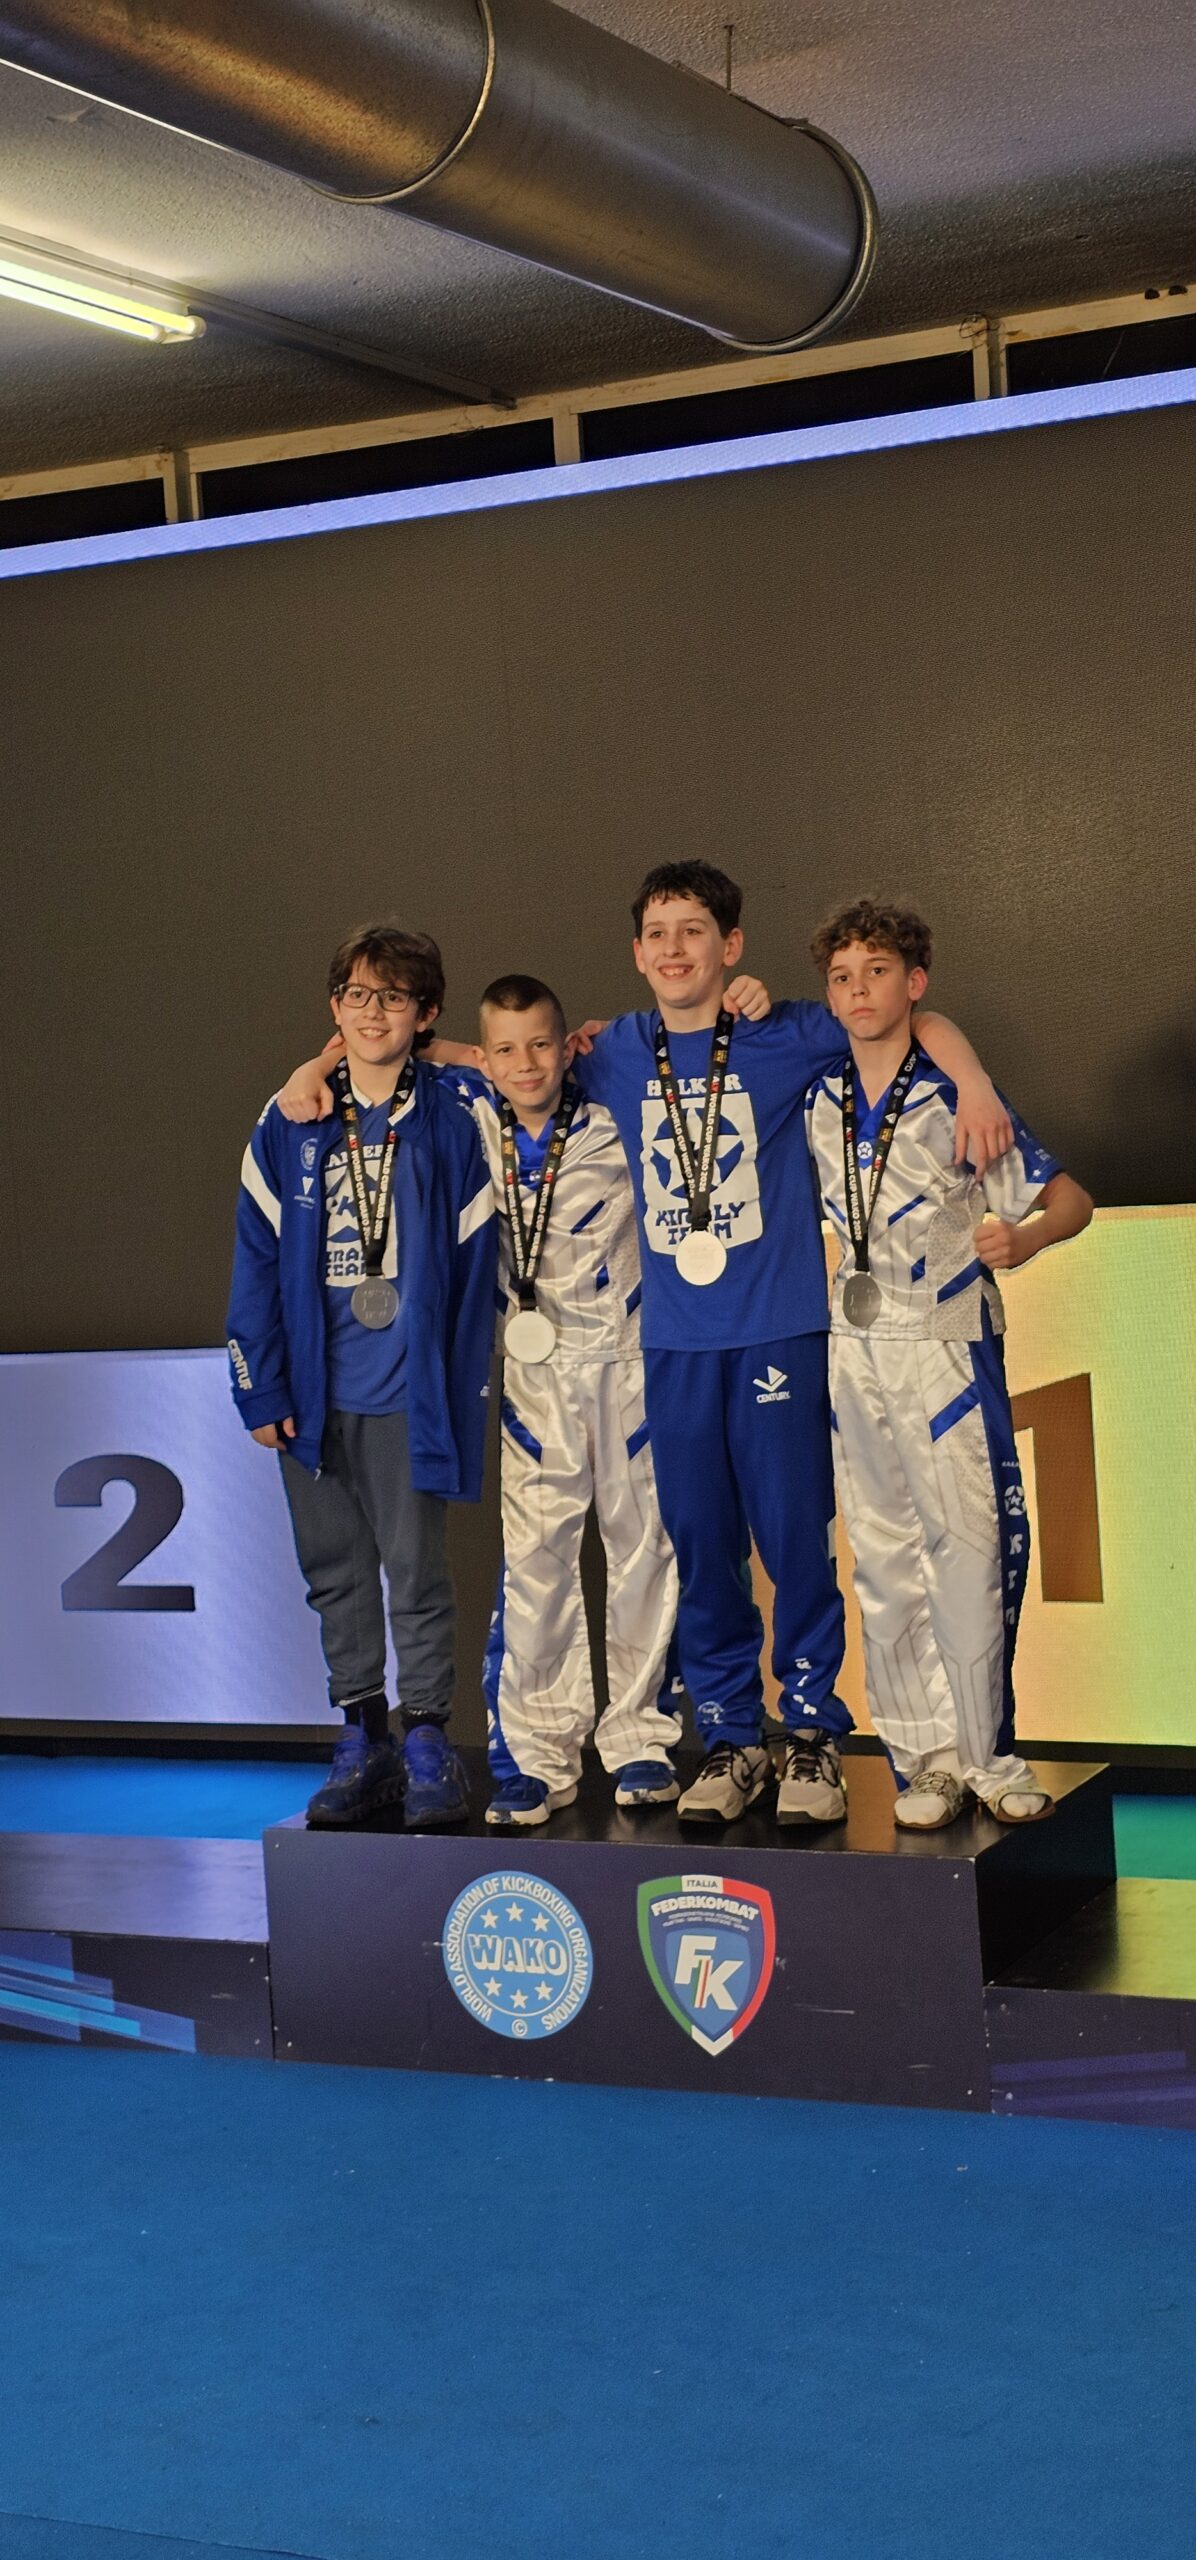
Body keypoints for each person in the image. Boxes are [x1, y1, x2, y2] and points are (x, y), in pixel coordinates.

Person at [567, 860, 1015, 1827]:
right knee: (701, 1547)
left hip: (780, 1332)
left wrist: (973, 1079)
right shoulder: (615, 1051)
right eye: (657, 934)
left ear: (730, 946)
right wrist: (322, 1066)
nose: (675, 949)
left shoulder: (785, 1031)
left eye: (695, 931)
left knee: (795, 1543)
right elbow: (494, 1056)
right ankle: (732, 1738)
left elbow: (903, 1017)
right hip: (674, 1345)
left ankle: (811, 1731)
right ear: (637, 953)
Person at [277, 968, 766, 1826]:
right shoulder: (463, 1111)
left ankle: (640, 1742)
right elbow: (382, 1049)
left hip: (628, 1364)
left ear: (568, 1044)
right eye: (505, 1049)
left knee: (644, 1552)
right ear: (485, 1055)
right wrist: (311, 1071)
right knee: (536, 1565)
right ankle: (539, 1757)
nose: (526, 1063)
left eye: (542, 1043)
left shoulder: (616, 1104)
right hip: (531, 1375)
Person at [804, 895, 1093, 1826]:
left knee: (968, 1549)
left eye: (877, 973)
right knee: (882, 1561)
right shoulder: (814, 1095)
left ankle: (989, 1756)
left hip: (947, 1345)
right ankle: (923, 1761)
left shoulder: (956, 1097)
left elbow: (1072, 1200)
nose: (858, 991)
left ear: (915, 983)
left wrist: (1029, 1237)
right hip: (854, 1352)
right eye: (842, 977)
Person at [226, 923, 496, 1830]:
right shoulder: (289, 1119)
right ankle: (362, 1735)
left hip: (408, 1387)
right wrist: (260, 1386)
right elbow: (255, 1260)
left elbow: (515, 1076)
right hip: (315, 1392)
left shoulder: (455, 1111)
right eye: (356, 995)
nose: (372, 1013)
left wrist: (451, 1053)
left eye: (394, 997)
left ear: (426, 1010)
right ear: (333, 1007)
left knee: (416, 1572)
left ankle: (426, 1739)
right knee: (334, 1571)